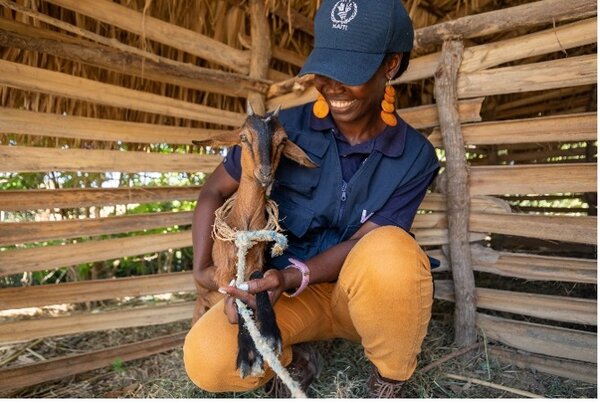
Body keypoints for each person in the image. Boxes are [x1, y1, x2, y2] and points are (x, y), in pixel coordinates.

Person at [183, 0, 440, 398]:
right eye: (325, 70)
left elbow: (363, 242)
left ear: (390, 65)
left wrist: (291, 276)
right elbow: (214, 190)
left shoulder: (414, 156)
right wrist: (205, 271)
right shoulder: (284, 129)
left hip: (356, 300)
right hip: (278, 295)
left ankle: (390, 377)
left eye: (349, 72)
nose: (332, 86)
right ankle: (296, 357)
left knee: (392, 251)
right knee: (208, 359)